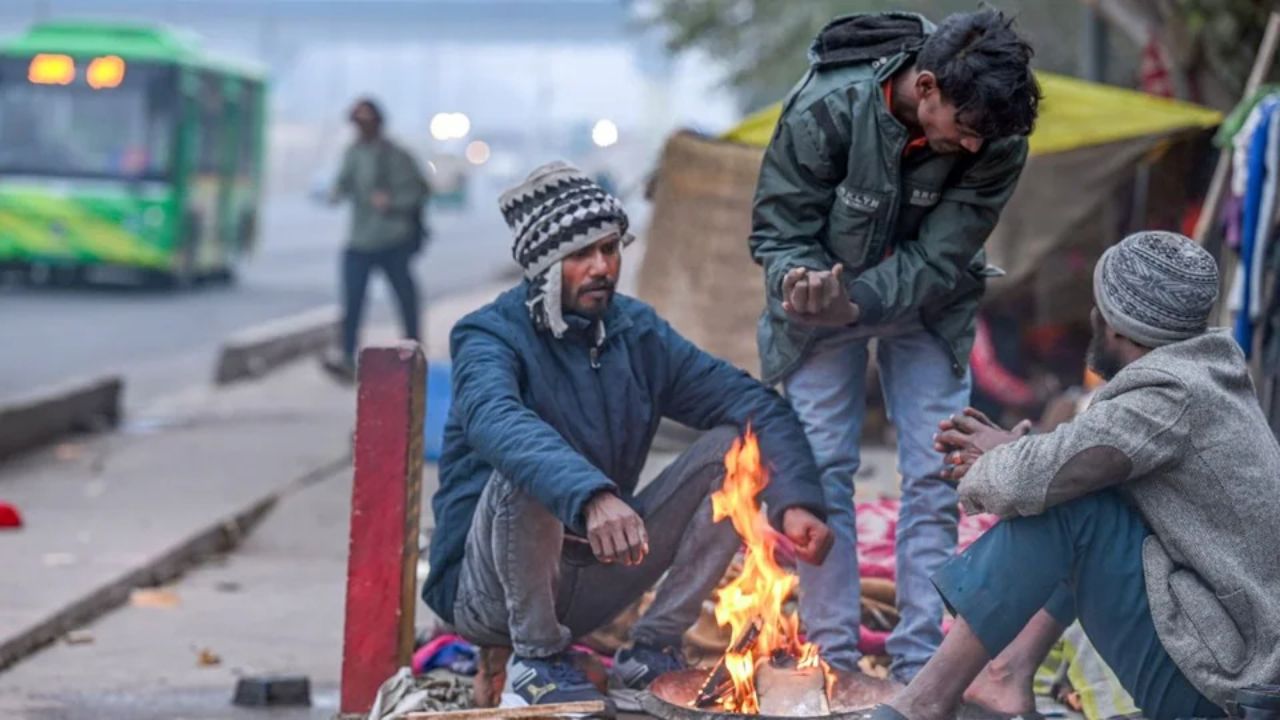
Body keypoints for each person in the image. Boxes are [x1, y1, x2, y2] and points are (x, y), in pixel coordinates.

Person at [421, 162, 833, 714]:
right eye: (580, 255)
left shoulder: (636, 332)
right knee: (523, 467)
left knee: (732, 449)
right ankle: (538, 663)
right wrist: (590, 495)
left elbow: (752, 403)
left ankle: (653, 647)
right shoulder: (488, 335)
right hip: (487, 591)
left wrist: (797, 502)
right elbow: (494, 417)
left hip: (593, 581)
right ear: (543, 265)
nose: (602, 268)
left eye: (610, 249)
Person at [747, 8, 1042, 691]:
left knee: (939, 477)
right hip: (817, 311)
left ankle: (918, 670)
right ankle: (834, 665)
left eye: (984, 141)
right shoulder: (828, 106)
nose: (972, 150)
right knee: (821, 479)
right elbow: (777, 228)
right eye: (963, 132)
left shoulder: (997, 138)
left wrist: (863, 299)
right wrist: (797, 281)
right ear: (927, 87)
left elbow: (945, 255)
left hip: (929, 307)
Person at [873, 231, 1280, 720]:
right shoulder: (1204, 371)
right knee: (1079, 491)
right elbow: (1073, 460)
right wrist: (1015, 453)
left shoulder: (1168, 395)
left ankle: (925, 703)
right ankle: (1007, 673)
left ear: (1113, 323)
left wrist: (993, 461)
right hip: (1238, 659)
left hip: (1227, 684)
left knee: (1070, 507)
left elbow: (1037, 478)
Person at [323, 97, 429, 382]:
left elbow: (420, 191)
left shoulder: (397, 155)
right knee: (353, 300)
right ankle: (346, 355)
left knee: (404, 297)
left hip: (393, 238)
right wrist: (335, 192)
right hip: (360, 239)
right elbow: (342, 184)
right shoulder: (353, 153)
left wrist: (392, 202)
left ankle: (414, 352)